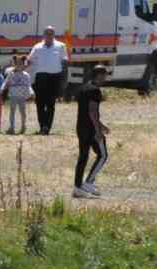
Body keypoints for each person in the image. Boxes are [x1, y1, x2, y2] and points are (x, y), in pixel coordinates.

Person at [73, 65, 111, 197]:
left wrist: (101, 125)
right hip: (91, 129)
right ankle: (88, 182)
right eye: (105, 75)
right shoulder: (95, 90)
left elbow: (85, 111)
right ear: (99, 75)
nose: (105, 78)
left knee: (83, 157)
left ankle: (77, 187)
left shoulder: (82, 88)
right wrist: (98, 131)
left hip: (80, 126)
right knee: (103, 155)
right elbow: (92, 111)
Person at [27, 27, 68, 134]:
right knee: (40, 103)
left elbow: (64, 62)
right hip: (41, 77)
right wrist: (19, 67)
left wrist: (63, 81)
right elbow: (29, 60)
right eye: (47, 33)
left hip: (54, 78)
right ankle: (42, 126)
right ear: (44, 35)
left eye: (51, 33)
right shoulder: (37, 46)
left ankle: (47, 127)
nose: (49, 35)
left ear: (54, 35)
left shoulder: (61, 46)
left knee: (50, 104)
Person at [3, 53, 34, 134]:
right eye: (16, 63)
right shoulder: (11, 73)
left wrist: (31, 93)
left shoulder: (26, 75)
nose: (18, 65)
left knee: (22, 112)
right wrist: (2, 89)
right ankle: (11, 127)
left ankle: (23, 126)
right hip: (13, 95)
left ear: (24, 64)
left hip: (22, 96)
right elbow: (6, 82)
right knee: (12, 111)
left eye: (20, 63)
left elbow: (28, 85)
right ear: (14, 64)